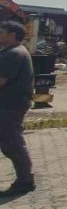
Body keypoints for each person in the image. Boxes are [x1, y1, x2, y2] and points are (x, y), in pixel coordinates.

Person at [0, 21, 36, 196]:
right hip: (9, 103)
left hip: (10, 105)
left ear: (12, 35)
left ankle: (25, 180)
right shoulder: (9, 51)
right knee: (9, 141)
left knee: (12, 142)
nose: (0, 35)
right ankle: (25, 178)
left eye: (2, 32)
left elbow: (1, 80)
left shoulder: (14, 54)